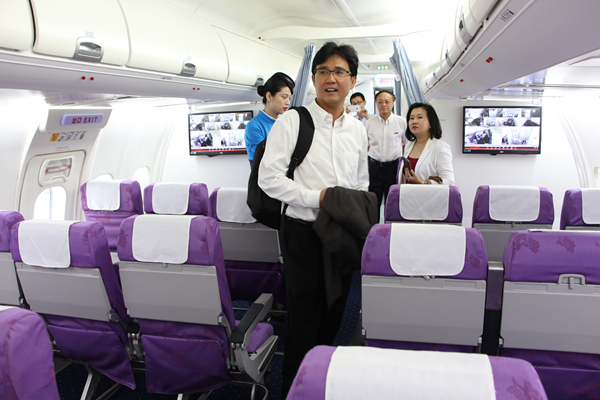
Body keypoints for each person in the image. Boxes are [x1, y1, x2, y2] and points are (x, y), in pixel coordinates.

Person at [257, 41, 369, 398]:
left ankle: (320, 385)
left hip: (342, 234)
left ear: (352, 80)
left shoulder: (357, 129)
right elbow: (268, 179)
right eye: (323, 71)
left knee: (334, 316)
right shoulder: (293, 121)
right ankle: (294, 391)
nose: (330, 79)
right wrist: (317, 199)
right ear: (314, 77)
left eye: (339, 72)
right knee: (303, 324)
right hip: (303, 233)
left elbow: (361, 182)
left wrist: (352, 211)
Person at [365, 90, 407, 212]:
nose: (384, 104)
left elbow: (405, 144)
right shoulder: (369, 123)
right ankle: (373, 224)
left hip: (393, 167)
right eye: (380, 101)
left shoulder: (401, 122)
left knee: (392, 201)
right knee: (373, 202)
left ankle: (389, 224)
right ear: (376, 103)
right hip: (374, 168)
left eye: (387, 101)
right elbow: (366, 145)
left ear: (393, 103)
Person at [244, 72, 295, 168]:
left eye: (289, 98)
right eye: (284, 97)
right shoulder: (254, 126)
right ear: (269, 96)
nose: (288, 102)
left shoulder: (285, 123)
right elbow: (269, 158)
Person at [402, 102, 455, 185]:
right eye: (411, 118)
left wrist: (422, 182)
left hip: (427, 193)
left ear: (431, 122)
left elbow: (449, 182)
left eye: (420, 117)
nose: (414, 121)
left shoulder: (440, 147)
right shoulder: (408, 146)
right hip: (407, 192)